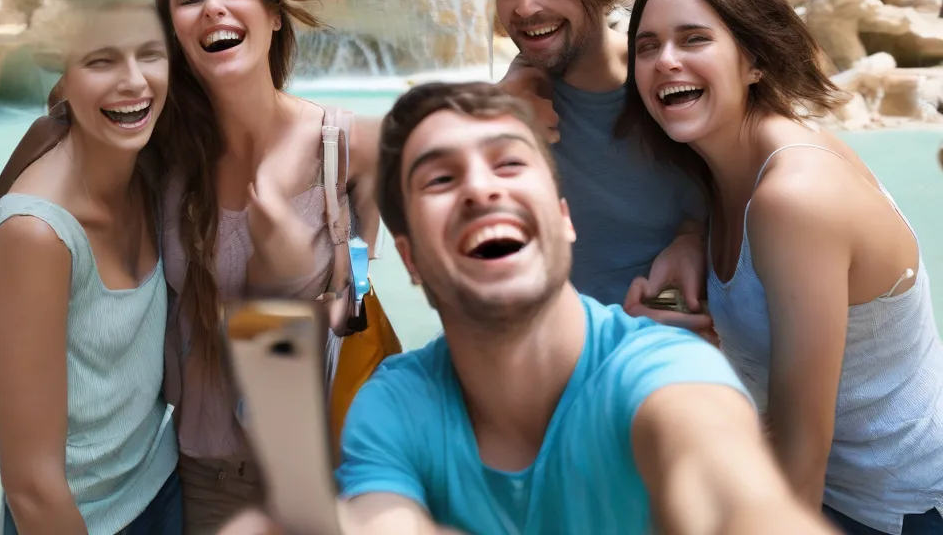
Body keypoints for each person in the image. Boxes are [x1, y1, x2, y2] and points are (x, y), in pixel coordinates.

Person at [335, 81, 833, 535]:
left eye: (508, 163)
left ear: (563, 218)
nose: (481, 190)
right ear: (410, 258)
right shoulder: (393, 404)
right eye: (441, 179)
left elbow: (729, 492)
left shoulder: (667, 372)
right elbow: (381, 518)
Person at [620, 0, 943, 534]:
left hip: (895, 509)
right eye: (647, 46)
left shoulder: (793, 197)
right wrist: (666, 292)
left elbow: (801, 452)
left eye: (693, 39)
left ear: (754, 62)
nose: (666, 61)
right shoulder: (721, 173)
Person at [154, 0, 381, 535]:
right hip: (208, 472)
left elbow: (392, 282)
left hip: (329, 465)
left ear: (274, 16)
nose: (213, 8)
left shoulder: (352, 145)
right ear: (173, 34)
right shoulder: (161, 156)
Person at [0, 0, 180, 534]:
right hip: (80, 518)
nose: (133, 81)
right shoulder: (35, 235)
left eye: (149, 55)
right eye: (102, 61)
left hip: (162, 482)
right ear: (62, 78)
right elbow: (32, 486)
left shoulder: (146, 163)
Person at [485, 0, 709, 329]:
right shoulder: (504, 114)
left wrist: (693, 237)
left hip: (666, 352)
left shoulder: (674, 82)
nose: (526, 6)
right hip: (548, 359)